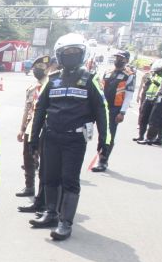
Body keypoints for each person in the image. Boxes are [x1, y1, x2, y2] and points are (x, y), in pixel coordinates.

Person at [28, 33, 108, 241]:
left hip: (75, 139)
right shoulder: (53, 80)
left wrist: (104, 140)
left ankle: (65, 222)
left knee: (69, 180)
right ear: (59, 56)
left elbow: (102, 109)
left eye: (75, 53)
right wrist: (33, 136)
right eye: (67, 53)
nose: (71, 56)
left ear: (82, 55)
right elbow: (40, 109)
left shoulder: (90, 80)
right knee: (49, 177)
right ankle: (51, 213)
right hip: (52, 136)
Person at [92, 49, 136, 172]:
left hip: (115, 109)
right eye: (117, 58)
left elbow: (128, 96)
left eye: (121, 58)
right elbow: (99, 88)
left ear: (126, 60)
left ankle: (103, 160)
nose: (118, 60)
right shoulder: (107, 72)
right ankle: (100, 155)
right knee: (98, 133)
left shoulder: (129, 75)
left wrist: (122, 112)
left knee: (108, 135)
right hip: (101, 106)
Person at [16, 55, 49, 202]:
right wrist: (22, 129)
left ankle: (44, 194)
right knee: (28, 158)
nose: (37, 71)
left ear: (47, 70)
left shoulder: (51, 86)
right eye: (35, 68)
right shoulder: (31, 89)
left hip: (46, 128)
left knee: (45, 163)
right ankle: (29, 186)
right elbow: (26, 110)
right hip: (30, 128)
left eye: (40, 69)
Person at [133, 59, 162, 143]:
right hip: (148, 98)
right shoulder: (153, 75)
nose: (155, 72)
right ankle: (140, 136)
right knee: (143, 117)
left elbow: (161, 86)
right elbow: (146, 86)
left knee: (153, 120)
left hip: (156, 100)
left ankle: (150, 138)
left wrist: (154, 82)